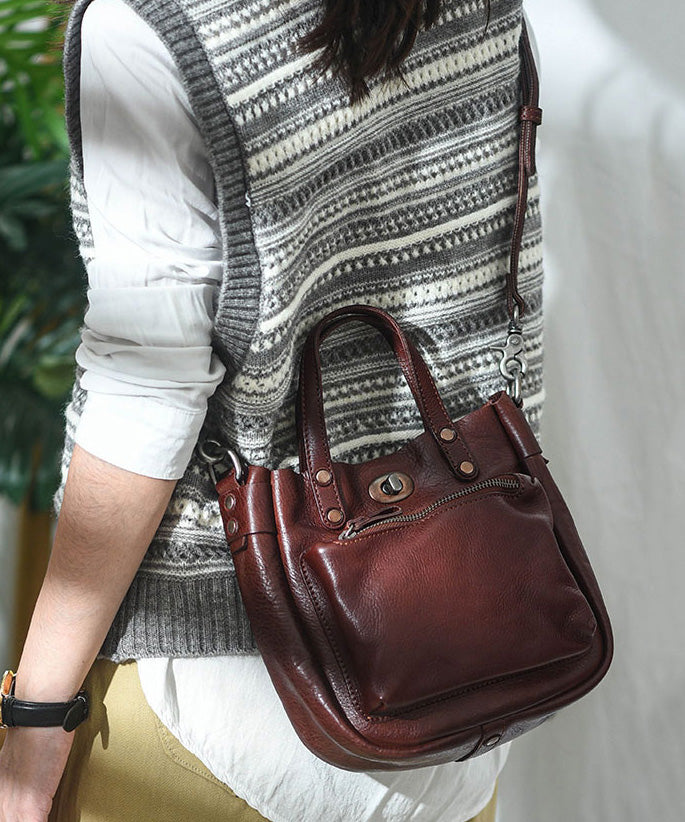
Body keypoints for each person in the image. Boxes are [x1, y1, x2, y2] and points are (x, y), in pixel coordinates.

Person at [0, 0, 544, 819]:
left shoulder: (153, 28)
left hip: (219, 705)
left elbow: (147, 394)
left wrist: (36, 714)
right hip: (465, 683)